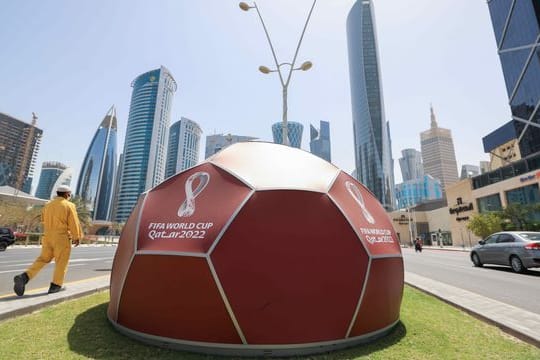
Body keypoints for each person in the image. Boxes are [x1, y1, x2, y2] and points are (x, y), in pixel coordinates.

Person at [13, 185, 83, 296]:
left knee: (42, 259)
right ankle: (56, 285)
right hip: (61, 238)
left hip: (47, 237)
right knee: (61, 262)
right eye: (69, 194)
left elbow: (43, 220)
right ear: (66, 194)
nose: (70, 196)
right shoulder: (69, 205)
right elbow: (74, 222)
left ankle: (24, 277)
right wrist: (77, 237)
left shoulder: (47, 205)